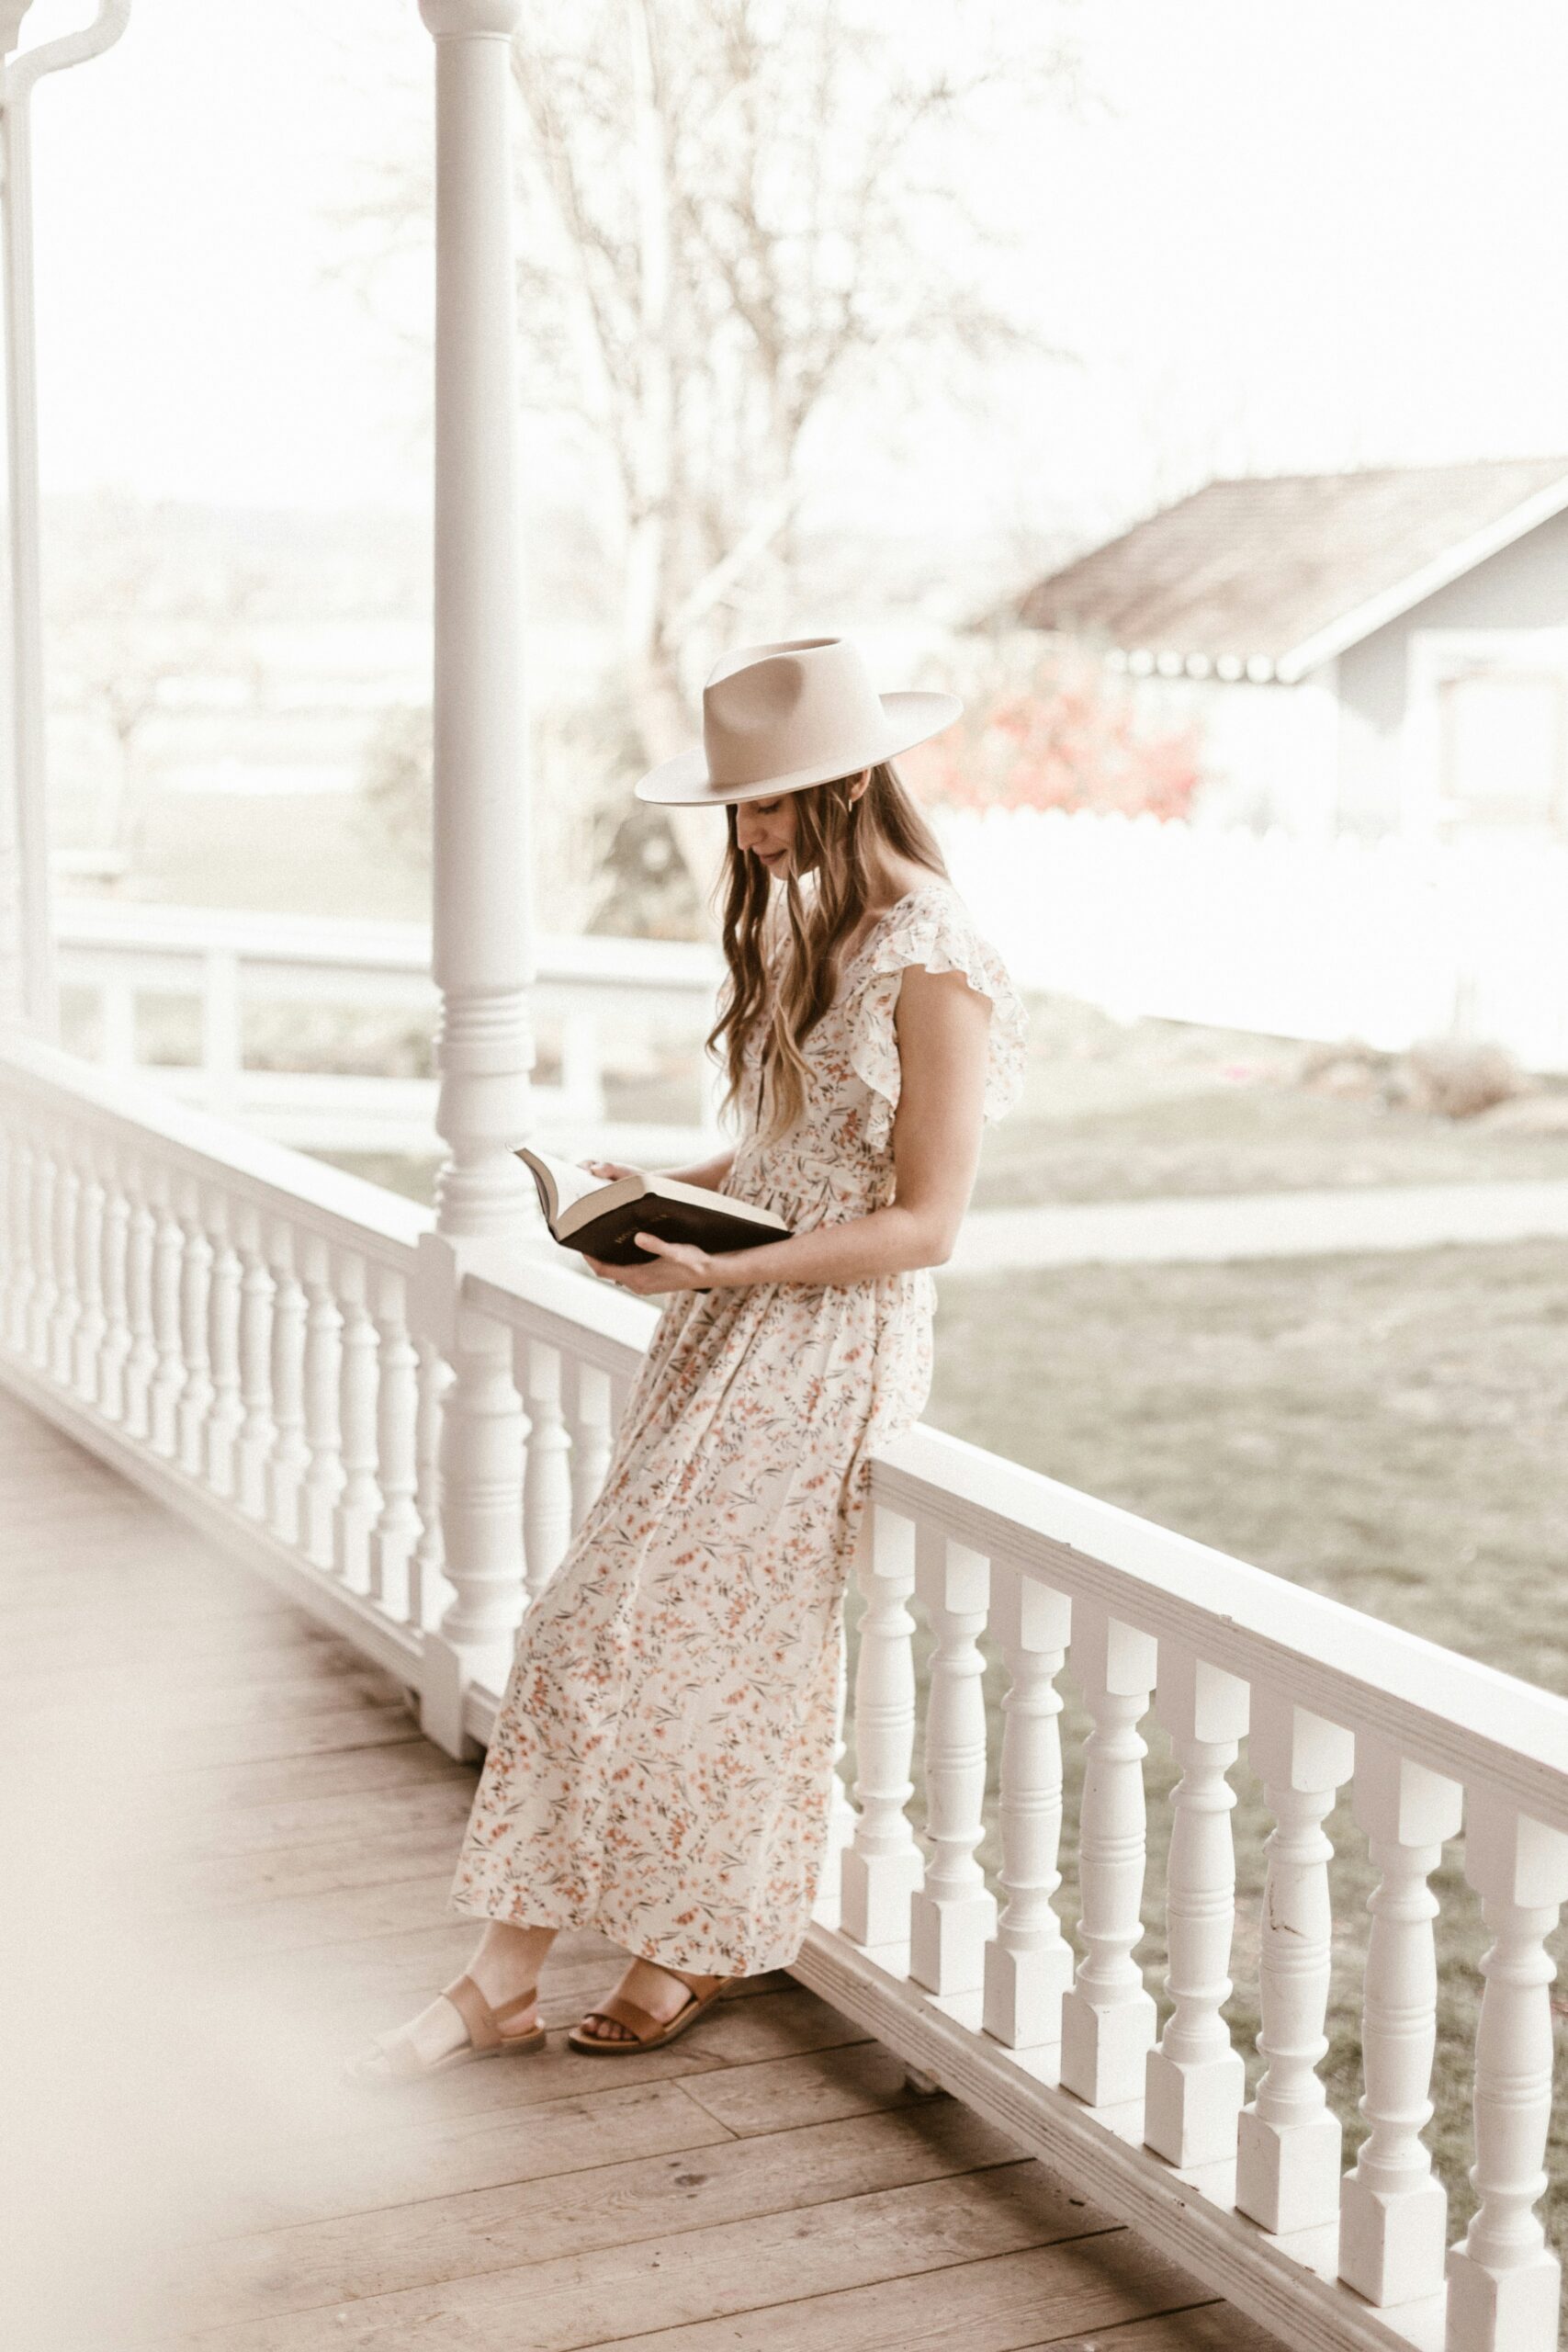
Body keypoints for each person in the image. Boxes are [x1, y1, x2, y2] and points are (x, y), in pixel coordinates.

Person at [348, 635, 1026, 2078]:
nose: (750, 833)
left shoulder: (937, 958)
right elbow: (793, 1149)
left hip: (826, 1345)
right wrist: (656, 1203)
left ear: (845, 788)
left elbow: (925, 1222)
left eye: (768, 804)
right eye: (740, 806)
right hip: (733, 1324)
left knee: (675, 1643)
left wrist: (739, 1266)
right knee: (607, 1634)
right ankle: (518, 1975)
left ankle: (677, 1944)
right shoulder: (812, 930)